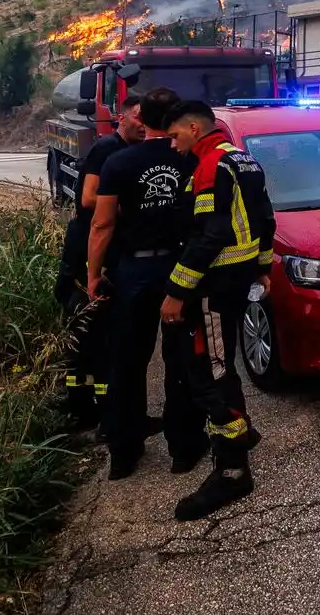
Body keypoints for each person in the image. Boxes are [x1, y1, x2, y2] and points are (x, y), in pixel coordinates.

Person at [162, 100, 275, 521]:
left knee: (209, 374)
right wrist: (262, 268)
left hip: (211, 288)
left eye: (175, 135)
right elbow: (265, 220)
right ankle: (242, 433)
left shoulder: (210, 166)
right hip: (236, 282)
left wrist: (176, 291)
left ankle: (232, 470)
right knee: (222, 362)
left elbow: (211, 236)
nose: (172, 144)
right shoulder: (244, 160)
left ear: (194, 128)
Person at [89, 87, 202, 480]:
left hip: (133, 272)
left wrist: (93, 273)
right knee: (182, 360)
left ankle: (124, 453)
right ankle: (183, 449)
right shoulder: (190, 158)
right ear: (175, 119)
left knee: (127, 363)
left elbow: (102, 223)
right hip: (179, 269)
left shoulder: (119, 162)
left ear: (142, 118)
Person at [54, 94, 145, 432]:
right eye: (138, 117)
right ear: (122, 116)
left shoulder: (131, 152)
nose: (144, 125)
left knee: (104, 336)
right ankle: (80, 411)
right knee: (85, 332)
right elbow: (89, 198)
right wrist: (132, 206)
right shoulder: (107, 149)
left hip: (105, 252)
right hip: (85, 253)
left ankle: (107, 413)